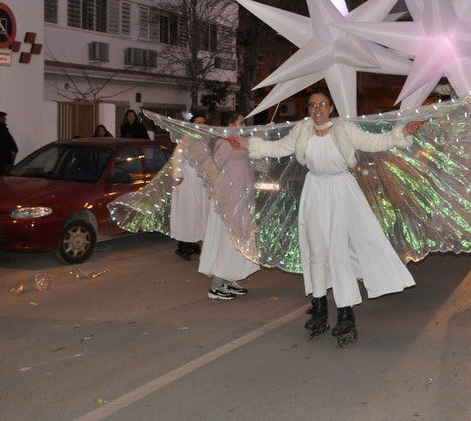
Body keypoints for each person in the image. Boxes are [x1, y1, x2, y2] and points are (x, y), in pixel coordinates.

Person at [227, 89, 426, 345]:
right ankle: (319, 308)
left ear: (330, 107)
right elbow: (278, 147)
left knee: (339, 253)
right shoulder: (302, 130)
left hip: (340, 190)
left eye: (322, 105)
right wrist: (247, 144)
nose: (317, 109)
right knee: (316, 252)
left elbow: (376, 142)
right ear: (308, 109)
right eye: (312, 105)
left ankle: (346, 314)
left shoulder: (344, 129)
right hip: (314, 190)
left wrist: (402, 133)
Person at [200, 113, 260, 300]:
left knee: (239, 239)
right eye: (238, 123)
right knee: (225, 240)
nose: (242, 126)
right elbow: (214, 169)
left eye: (243, 123)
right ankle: (216, 285)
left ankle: (229, 278)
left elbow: (254, 167)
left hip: (241, 199)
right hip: (227, 200)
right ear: (228, 125)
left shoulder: (241, 143)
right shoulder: (224, 144)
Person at [171, 115, 211, 260]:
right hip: (188, 180)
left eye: (203, 122)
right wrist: (178, 173)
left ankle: (194, 241)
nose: (200, 125)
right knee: (189, 212)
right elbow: (177, 156)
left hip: (201, 181)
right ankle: (185, 244)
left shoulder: (206, 139)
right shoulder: (187, 138)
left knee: (200, 212)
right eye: (197, 122)